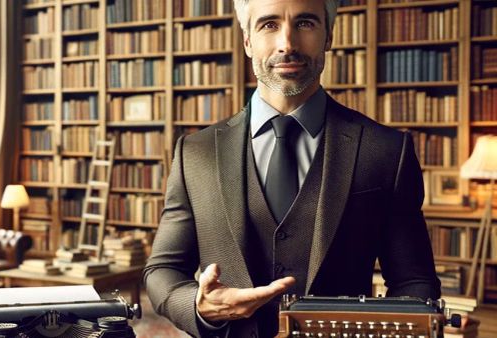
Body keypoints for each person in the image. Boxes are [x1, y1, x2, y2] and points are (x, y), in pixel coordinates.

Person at [143, 0, 441, 337]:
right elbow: (163, 270)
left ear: (328, 36)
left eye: (305, 23)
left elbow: (414, 282)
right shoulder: (194, 153)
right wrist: (199, 305)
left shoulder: (387, 151)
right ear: (247, 40)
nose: (287, 43)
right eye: (269, 24)